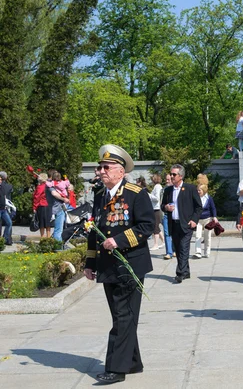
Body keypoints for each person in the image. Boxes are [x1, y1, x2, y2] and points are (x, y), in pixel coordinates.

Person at [83, 144, 154, 385]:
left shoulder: (136, 193)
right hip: (107, 265)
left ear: (120, 171)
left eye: (106, 167)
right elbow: (94, 230)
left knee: (124, 316)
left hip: (130, 264)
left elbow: (147, 227)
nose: (101, 171)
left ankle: (116, 368)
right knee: (121, 316)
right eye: (99, 167)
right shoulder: (100, 195)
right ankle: (133, 362)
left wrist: (119, 240)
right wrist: (90, 261)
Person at [161, 164, 203, 283]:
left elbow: (199, 207)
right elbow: (162, 205)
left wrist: (194, 220)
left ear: (181, 176)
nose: (171, 176)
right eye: (171, 174)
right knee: (178, 248)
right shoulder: (168, 190)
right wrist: (166, 207)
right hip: (173, 224)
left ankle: (179, 273)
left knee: (184, 248)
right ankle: (186, 272)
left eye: (174, 174)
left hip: (186, 224)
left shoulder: (190, 188)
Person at [194, 184, 217, 258]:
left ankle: (207, 251)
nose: (198, 191)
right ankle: (198, 252)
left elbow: (213, 208)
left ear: (203, 191)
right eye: (197, 190)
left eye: (199, 190)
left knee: (207, 236)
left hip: (207, 219)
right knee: (198, 236)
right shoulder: (195, 198)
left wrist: (214, 217)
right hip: (198, 220)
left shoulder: (209, 198)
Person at [46, 171, 69, 242]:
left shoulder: (50, 184)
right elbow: (54, 194)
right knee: (58, 230)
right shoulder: (51, 186)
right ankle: (58, 247)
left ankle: (56, 243)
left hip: (54, 208)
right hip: (58, 208)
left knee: (58, 229)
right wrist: (64, 199)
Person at [32, 173, 52, 238]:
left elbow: (37, 197)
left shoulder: (40, 187)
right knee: (48, 223)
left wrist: (34, 207)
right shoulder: (49, 185)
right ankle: (48, 237)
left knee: (42, 224)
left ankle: (42, 238)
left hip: (42, 205)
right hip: (49, 205)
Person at [148, 174, 164, 251]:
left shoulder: (157, 187)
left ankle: (156, 244)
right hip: (155, 208)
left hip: (156, 208)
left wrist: (149, 195)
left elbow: (157, 198)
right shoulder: (157, 186)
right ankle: (163, 241)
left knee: (155, 227)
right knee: (157, 226)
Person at [162, 173, 174, 260]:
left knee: (175, 234)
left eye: (168, 179)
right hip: (166, 214)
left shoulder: (179, 190)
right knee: (167, 234)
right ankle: (169, 252)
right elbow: (161, 204)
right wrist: (165, 207)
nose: (167, 181)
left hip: (176, 216)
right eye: (166, 179)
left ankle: (174, 250)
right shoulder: (165, 190)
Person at [0, 171, 14, 245]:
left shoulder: (3, 186)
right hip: (4, 208)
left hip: (4, 208)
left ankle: (4, 238)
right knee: (8, 223)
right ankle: (6, 239)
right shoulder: (9, 186)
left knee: (9, 223)